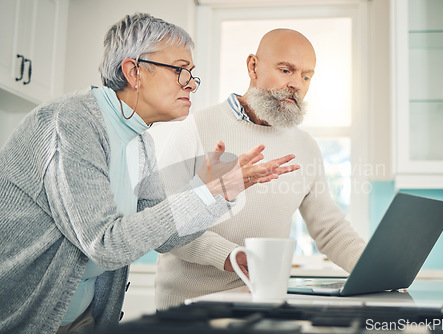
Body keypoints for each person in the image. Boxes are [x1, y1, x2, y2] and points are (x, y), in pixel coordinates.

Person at [0, 15, 299, 334]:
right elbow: (105, 243)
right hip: (30, 321)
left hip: (82, 319)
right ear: (134, 71)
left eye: (193, 74)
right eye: (181, 70)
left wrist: (214, 190)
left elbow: (167, 237)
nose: (191, 83)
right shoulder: (70, 124)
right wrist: (206, 193)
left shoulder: (140, 141)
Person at [152, 28, 367, 310]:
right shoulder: (196, 128)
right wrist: (230, 256)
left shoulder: (306, 147)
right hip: (188, 308)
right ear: (253, 66)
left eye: (306, 76)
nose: (296, 85)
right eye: (286, 70)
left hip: (262, 305)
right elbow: (163, 226)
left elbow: (330, 230)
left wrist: (376, 271)